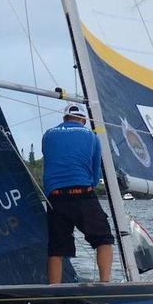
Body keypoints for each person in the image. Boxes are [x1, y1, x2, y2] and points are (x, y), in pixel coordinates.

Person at [42, 103, 114, 284]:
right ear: (83, 120)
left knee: (56, 249)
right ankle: (105, 283)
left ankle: (54, 290)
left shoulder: (48, 135)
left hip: (55, 197)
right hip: (82, 193)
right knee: (103, 240)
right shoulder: (91, 136)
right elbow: (95, 173)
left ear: (64, 118)